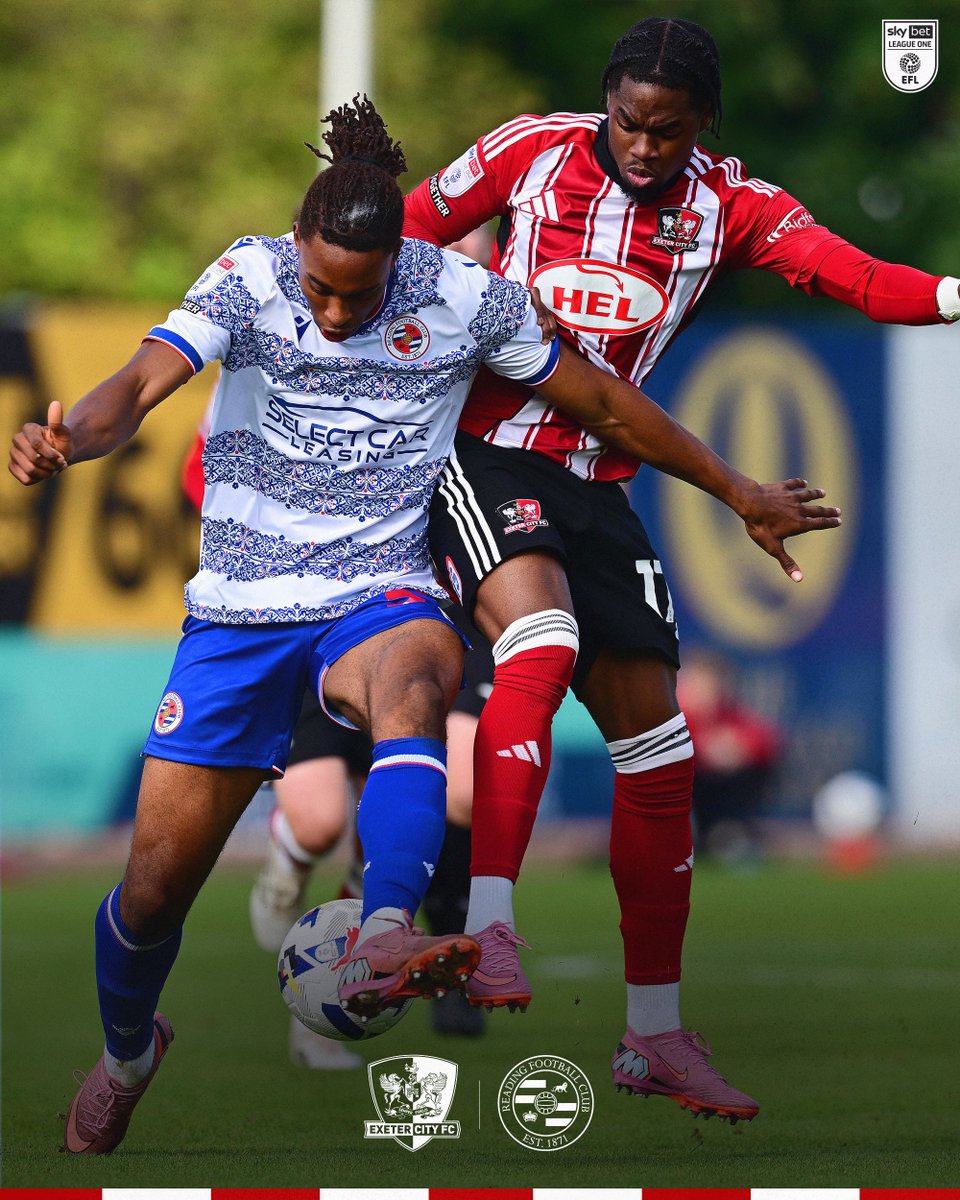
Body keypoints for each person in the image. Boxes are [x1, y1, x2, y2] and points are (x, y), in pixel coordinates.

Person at [9, 93, 837, 1155]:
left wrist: (736, 488)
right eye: (319, 288)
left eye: (357, 296)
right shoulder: (250, 276)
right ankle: (128, 1051)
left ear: (402, 258)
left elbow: (606, 405)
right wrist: (67, 437)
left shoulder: (465, 296)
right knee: (152, 894)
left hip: (379, 589)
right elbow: (135, 386)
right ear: (295, 253)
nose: (335, 314)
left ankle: (387, 930)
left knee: (417, 685)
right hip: (240, 616)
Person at [403, 15, 959, 1123]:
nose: (642, 146)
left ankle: (652, 1034)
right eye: (628, 121)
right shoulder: (531, 148)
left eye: (667, 130)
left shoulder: (732, 206)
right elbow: (411, 226)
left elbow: (856, 278)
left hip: (604, 484)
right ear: (604, 100)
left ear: (703, 124)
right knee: (543, 641)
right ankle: (490, 923)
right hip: (484, 451)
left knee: (661, 751)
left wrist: (952, 296)